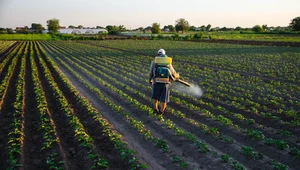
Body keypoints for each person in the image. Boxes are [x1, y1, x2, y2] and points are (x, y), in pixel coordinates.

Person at [149, 49, 180, 114]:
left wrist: (150, 80)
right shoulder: (168, 62)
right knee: (164, 98)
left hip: (156, 82)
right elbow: (173, 72)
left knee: (155, 96)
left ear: (158, 54)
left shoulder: (154, 61)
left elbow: (151, 72)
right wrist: (176, 77)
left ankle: (155, 109)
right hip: (166, 83)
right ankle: (162, 111)